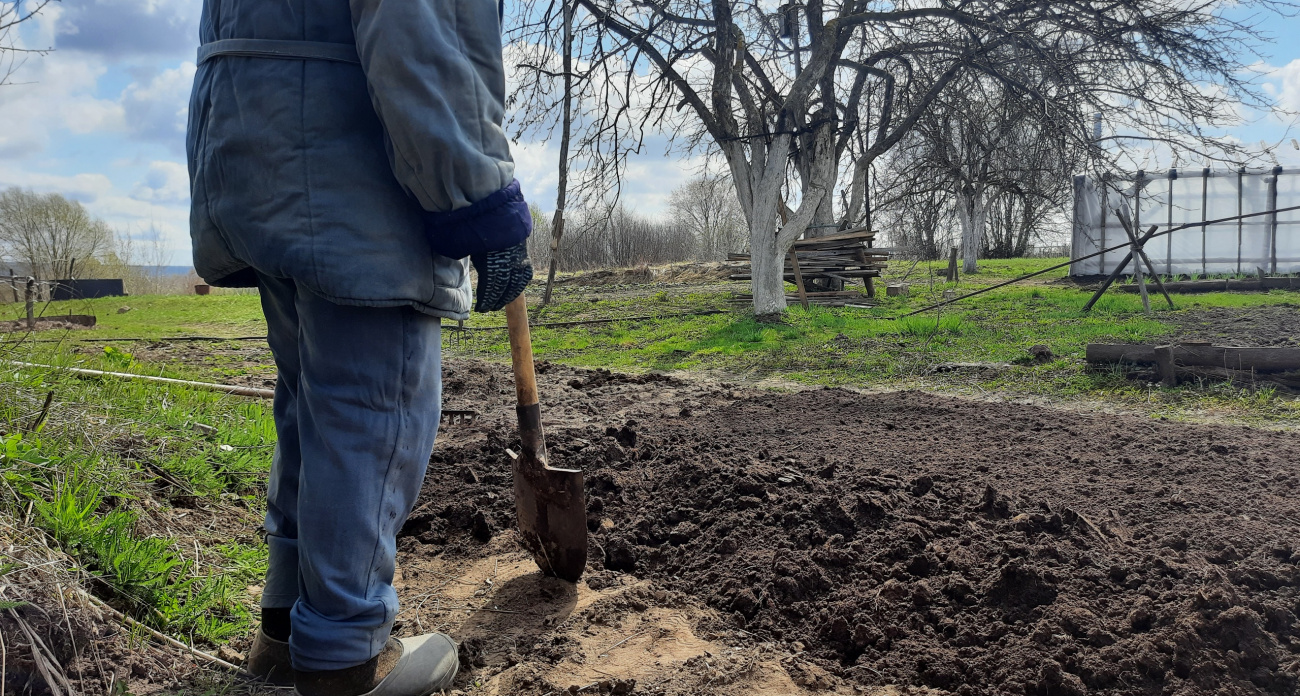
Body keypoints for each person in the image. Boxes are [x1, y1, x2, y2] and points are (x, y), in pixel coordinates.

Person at [185, 0, 533, 692]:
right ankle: (346, 661)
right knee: (373, 414)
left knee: (312, 401)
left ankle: (285, 634)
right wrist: (480, 201)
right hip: (353, 173)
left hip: (253, 153)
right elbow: (426, 36)